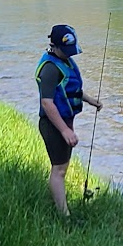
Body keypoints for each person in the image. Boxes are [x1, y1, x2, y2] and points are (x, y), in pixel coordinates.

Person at [36, 24, 103, 222]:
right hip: (53, 124)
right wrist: (65, 130)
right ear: (54, 46)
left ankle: (62, 207)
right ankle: (64, 217)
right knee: (59, 169)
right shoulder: (49, 69)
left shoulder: (64, 61)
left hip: (64, 122)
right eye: (65, 50)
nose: (69, 54)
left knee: (62, 167)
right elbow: (47, 103)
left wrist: (91, 101)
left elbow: (71, 89)